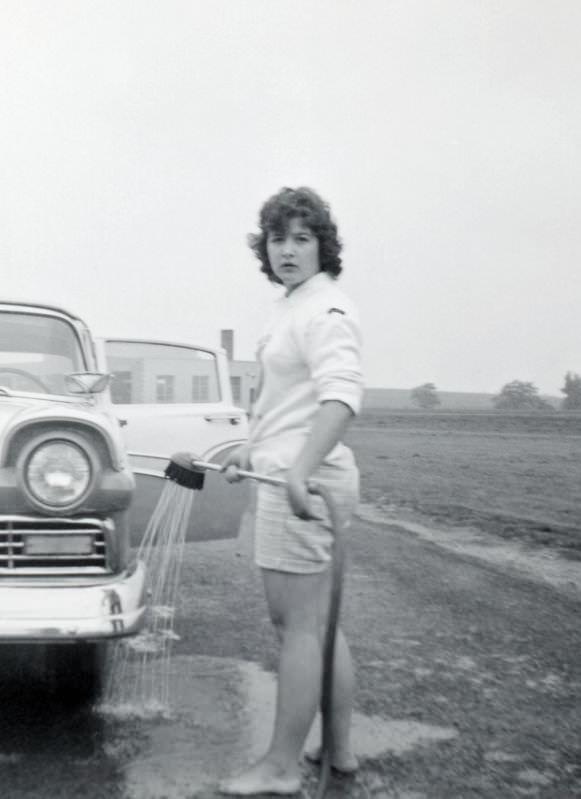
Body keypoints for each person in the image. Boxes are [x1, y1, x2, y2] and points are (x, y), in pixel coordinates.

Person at [218, 186, 363, 796]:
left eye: (302, 238)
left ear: (322, 246)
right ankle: (339, 750)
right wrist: (253, 448)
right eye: (279, 238)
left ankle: (279, 766)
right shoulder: (291, 306)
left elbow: (342, 398)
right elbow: (289, 402)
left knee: (298, 627)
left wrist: (298, 469)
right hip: (285, 468)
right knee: (318, 623)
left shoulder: (324, 310)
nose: (288, 249)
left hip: (306, 480)